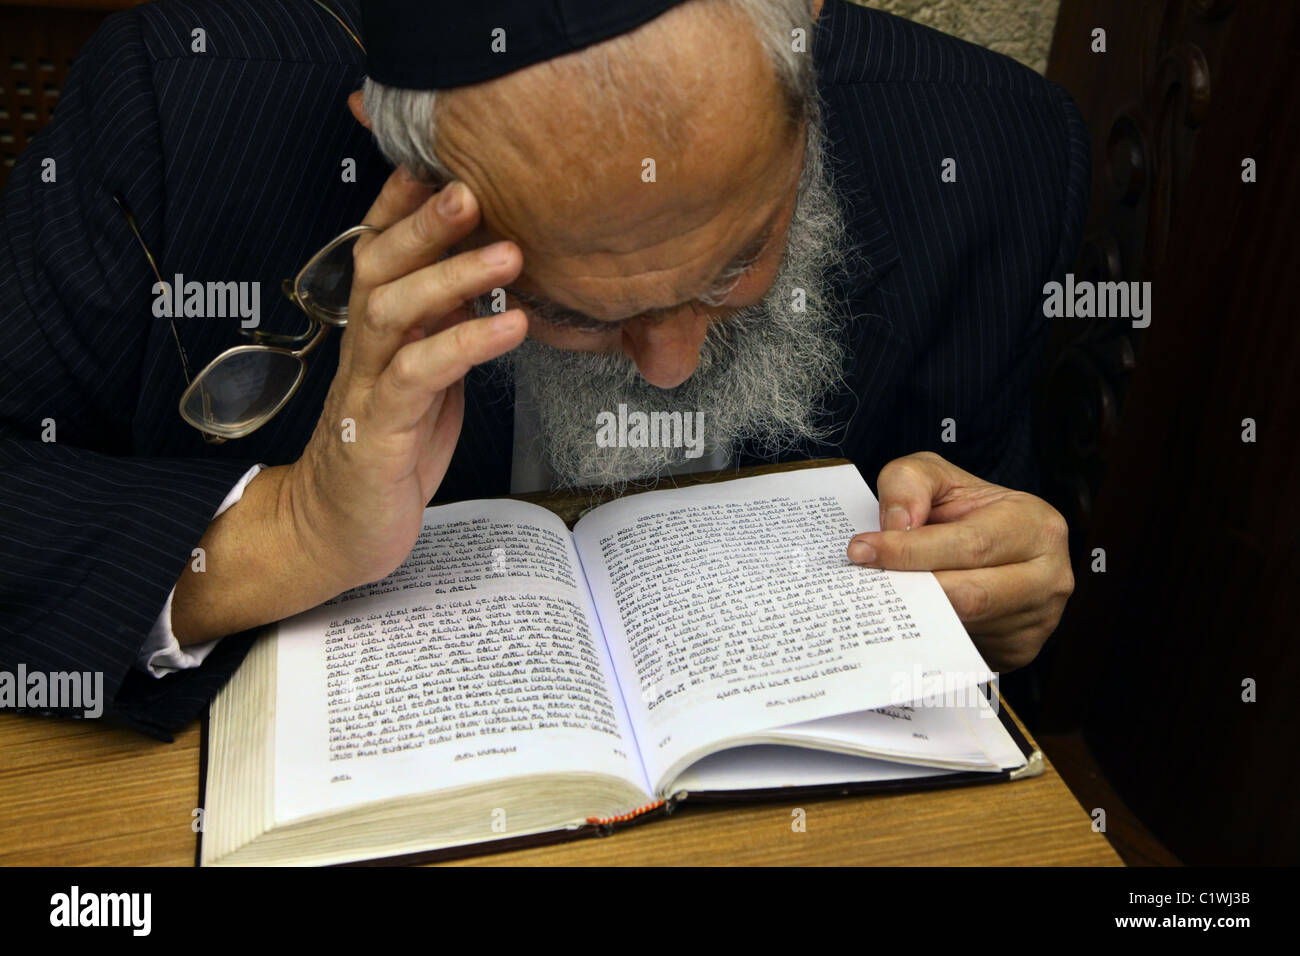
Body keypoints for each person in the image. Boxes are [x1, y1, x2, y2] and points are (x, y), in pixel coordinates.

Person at [0, 0, 1086, 739]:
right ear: (398, 152)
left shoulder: (991, 147)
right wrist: (278, 531)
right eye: (569, 308)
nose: (667, 368)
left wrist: (994, 591)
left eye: (734, 263)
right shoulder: (178, 113)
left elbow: (984, 568)